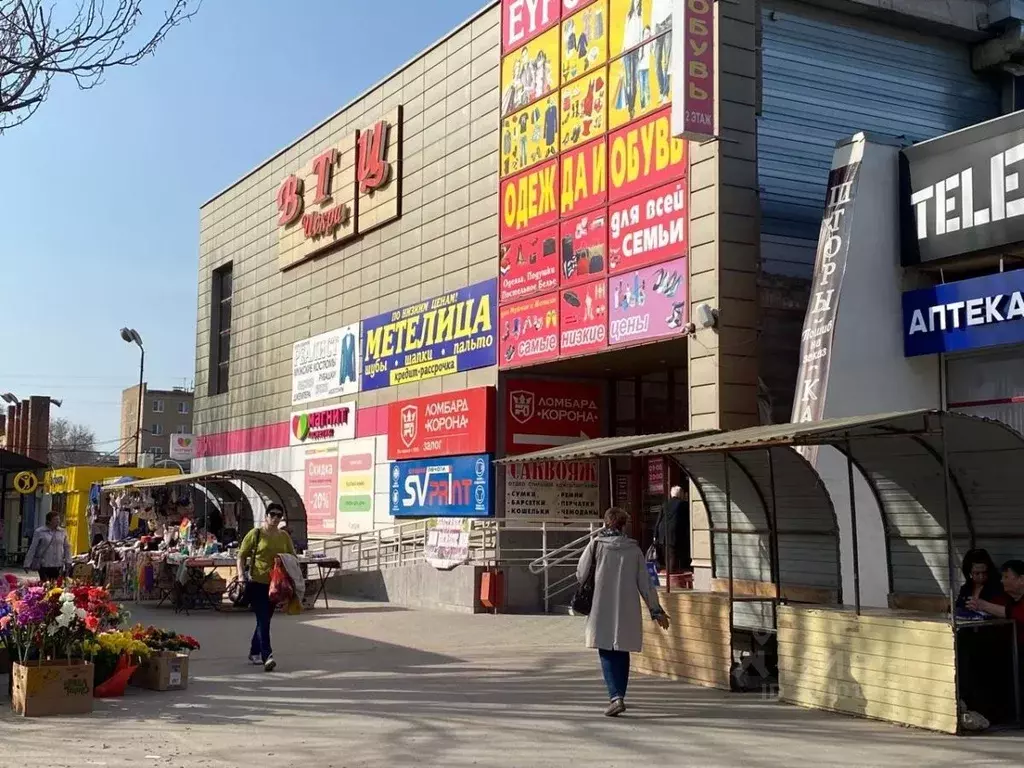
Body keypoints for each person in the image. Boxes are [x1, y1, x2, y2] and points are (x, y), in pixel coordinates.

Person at [576, 507, 670, 717]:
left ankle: (615, 697)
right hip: (627, 607)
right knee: (622, 650)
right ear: (623, 525)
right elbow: (646, 584)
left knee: (606, 650)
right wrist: (656, 610)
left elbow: (581, 574)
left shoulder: (596, 545)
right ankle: (620, 695)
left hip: (602, 605)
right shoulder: (634, 550)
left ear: (606, 523)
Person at [236, 503, 295, 672]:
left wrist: (284, 562)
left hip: (276, 585)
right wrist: (241, 576)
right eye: (272, 514)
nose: (275, 518)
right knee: (263, 619)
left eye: (279, 515)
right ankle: (267, 655)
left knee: (264, 619)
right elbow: (241, 556)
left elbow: (292, 556)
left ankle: (254, 651)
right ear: (266, 516)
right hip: (257, 582)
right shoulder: (256, 534)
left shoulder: (284, 536)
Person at [23, 512, 72, 582]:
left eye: (58, 519)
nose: (58, 521)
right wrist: (27, 563)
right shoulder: (40, 532)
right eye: (55, 520)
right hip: (44, 564)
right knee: (46, 584)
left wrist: (68, 561)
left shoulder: (62, 531)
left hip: (58, 564)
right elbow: (33, 548)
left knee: (56, 586)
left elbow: (67, 547)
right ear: (49, 521)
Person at [956, 549, 1002, 614]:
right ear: (969, 572)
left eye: (984, 573)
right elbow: (958, 607)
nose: (981, 577)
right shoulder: (966, 588)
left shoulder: (996, 587)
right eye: (977, 573)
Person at [654, 485, 689, 572]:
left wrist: (655, 534)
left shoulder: (665, 503)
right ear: (680, 494)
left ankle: (669, 571)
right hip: (674, 532)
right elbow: (686, 519)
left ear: (671, 494)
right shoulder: (683, 504)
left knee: (666, 553)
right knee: (673, 553)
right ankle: (671, 573)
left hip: (663, 532)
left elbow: (659, 520)